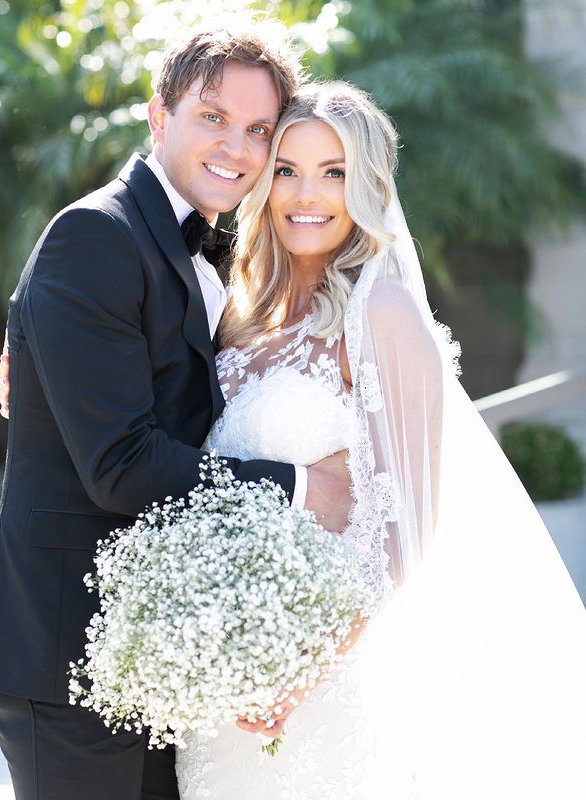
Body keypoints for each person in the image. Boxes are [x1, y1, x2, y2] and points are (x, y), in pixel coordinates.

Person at [0, 23, 354, 800]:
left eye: (257, 131)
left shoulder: (193, 248)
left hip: (150, 648)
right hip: (65, 653)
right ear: (158, 116)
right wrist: (302, 487)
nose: (236, 148)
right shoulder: (96, 235)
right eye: (213, 118)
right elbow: (120, 466)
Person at [173, 82, 586, 799]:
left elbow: (409, 530)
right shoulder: (239, 313)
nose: (308, 193)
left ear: (365, 186)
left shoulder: (382, 310)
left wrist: (302, 671)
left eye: (333, 173)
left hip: (327, 680)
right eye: (290, 170)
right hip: (228, 665)